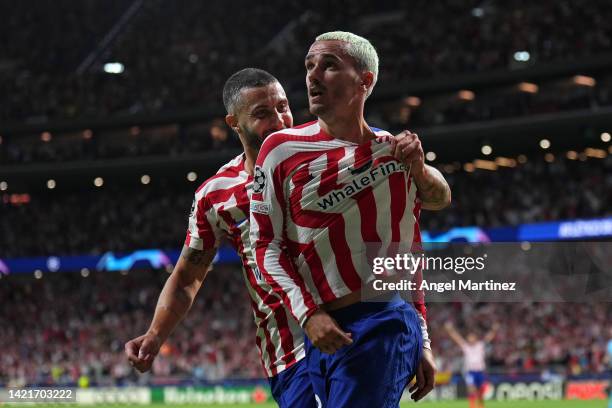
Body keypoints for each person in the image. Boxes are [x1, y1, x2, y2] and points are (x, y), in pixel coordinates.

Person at [250, 31, 451, 407]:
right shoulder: (279, 151)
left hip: (381, 323)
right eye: (309, 65)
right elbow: (264, 247)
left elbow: (415, 240)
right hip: (322, 332)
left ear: (365, 80)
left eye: (328, 66)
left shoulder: (392, 150)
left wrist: (420, 337)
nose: (312, 76)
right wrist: (308, 314)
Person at [124, 68, 317, 408]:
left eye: (283, 107)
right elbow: (187, 276)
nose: (280, 120)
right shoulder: (217, 196)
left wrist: (413, 333)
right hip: (292, 353)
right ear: (234, 123)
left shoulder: (329, 154)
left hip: (356, 332)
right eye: (261, 114)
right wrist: (155, 334)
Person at [444, 321, 499, 408]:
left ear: (475, 338)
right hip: (470, 372)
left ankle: (481, 405)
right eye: (469, 338)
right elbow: (457, 338)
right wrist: (450, 330)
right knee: (471, 390)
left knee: (481, 391)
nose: (470, 339)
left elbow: (489, 337)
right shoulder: (466, 346)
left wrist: (494, 330)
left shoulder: (480, 345)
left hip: (480, 371)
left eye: (472, 337)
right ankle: (472, 406)